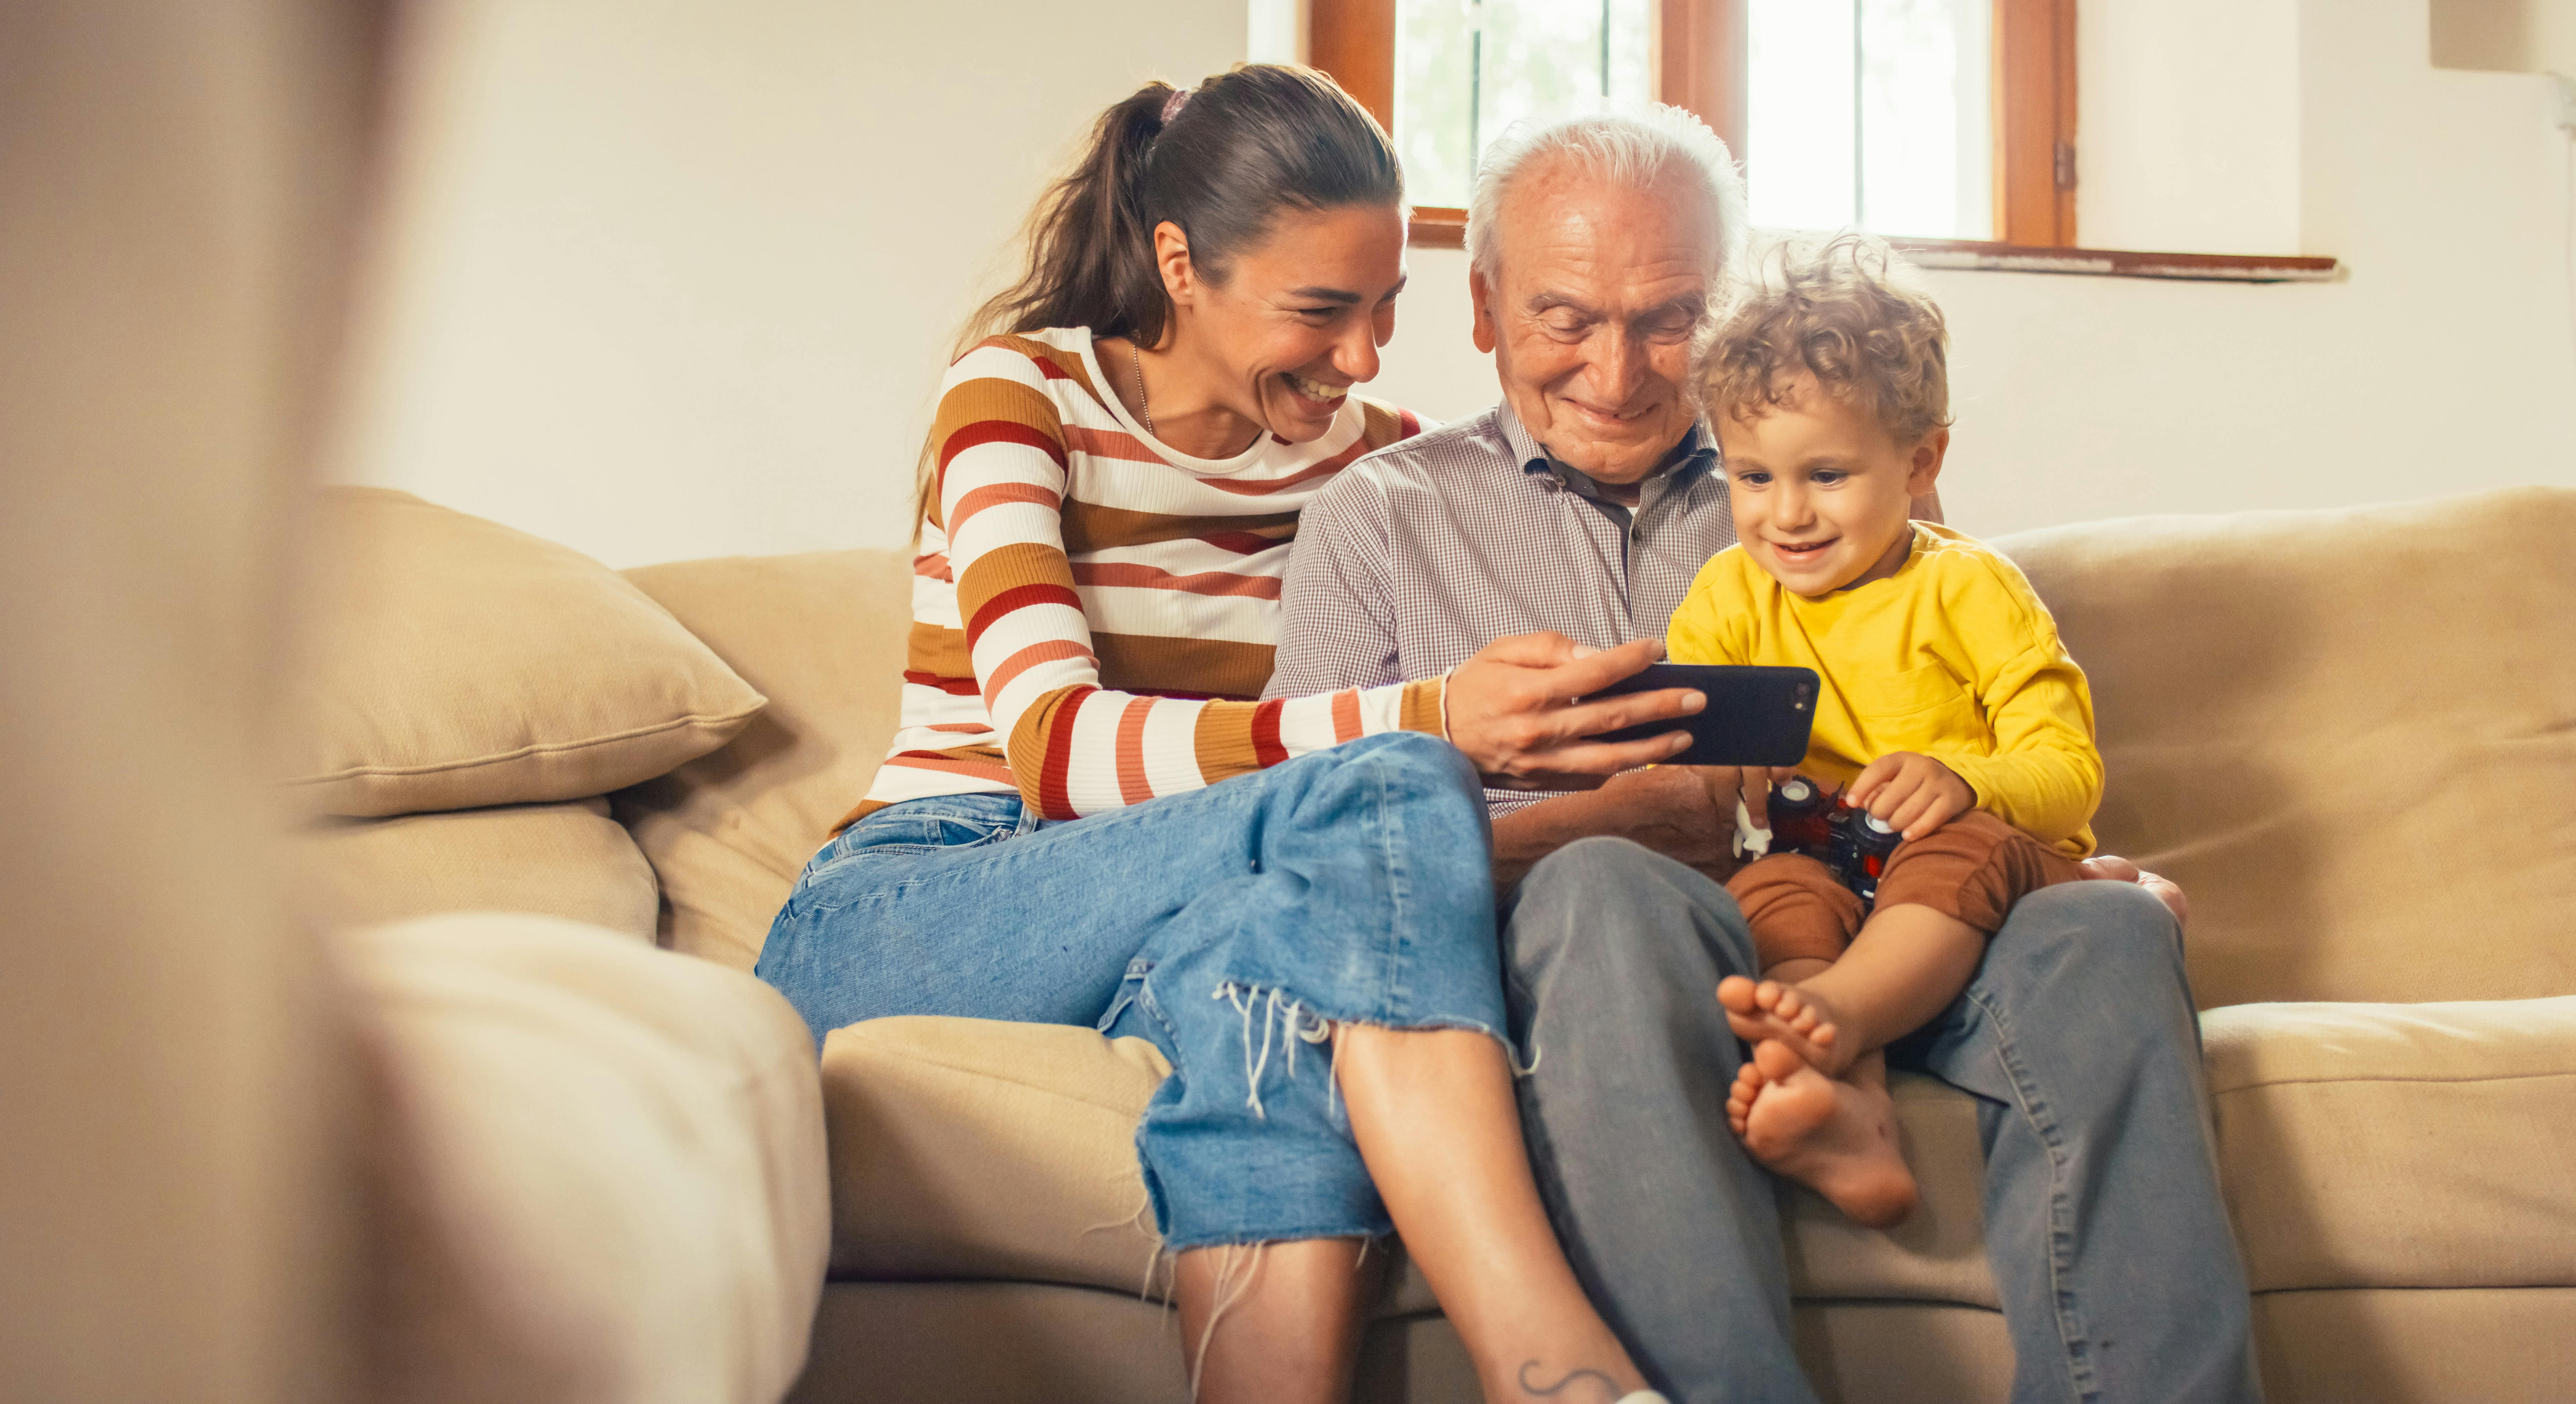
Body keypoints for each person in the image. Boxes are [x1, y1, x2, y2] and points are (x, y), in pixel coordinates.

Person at [1269, 107, 2262, 1402]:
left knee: (2114, 936)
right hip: (1611, 940)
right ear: (1484, 306)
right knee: (1603, 891)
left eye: (1669, 318)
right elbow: (1310, 850)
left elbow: (1966, 727)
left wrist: (2038, 850)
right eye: (1567, 318)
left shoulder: (1831, 465)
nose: (1618, 374)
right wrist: (1610, 825)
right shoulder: (1375, 520)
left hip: (1881, 897)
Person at [754, 64, 1702, 1404]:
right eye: (1320, 310)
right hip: (930, 891)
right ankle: (1547, 1358)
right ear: (1180, 263)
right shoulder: (1020, 396)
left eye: (1385, 311)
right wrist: (1432, 719)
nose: (1364, 359)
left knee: (1289, 1001)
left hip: (1192, 910)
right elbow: (1056, 753)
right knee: (1382, 784)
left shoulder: (1383, 467)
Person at [1668, 235, 2097, 1232]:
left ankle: (1844, 1017)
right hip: (1821, 859)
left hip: (1965, 866)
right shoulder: (1727, 595)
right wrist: (1717, 777)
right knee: (1770, 887)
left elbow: (2071, 771)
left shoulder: (1969, 587)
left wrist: (1966, 779)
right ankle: (1850, 1108)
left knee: (1958, 850)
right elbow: (1686, 765)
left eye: (1825, 474)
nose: (1787, 515)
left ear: (1921, 460)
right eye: (1752, 477)